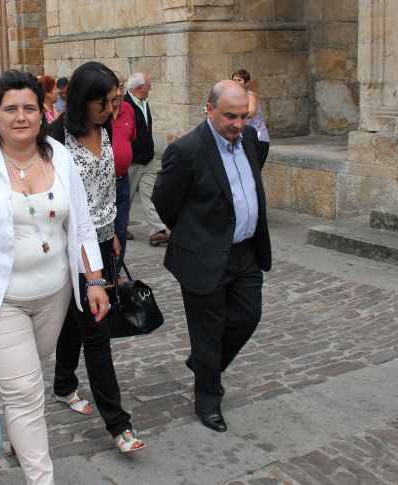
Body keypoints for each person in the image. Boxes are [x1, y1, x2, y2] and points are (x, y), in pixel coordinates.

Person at [0, 69, 108, 485]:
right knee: (25, 391)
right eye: (10, 109)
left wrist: (95, 280)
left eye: (29, 108)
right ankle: (41, 478)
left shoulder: (59, 155)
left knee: (29, 377)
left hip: (54, 294)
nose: (20, 117)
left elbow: (82, 226)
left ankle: (20, 436)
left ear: (42, 111)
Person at [153, 80, 272, 433]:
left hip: (246, 251)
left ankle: (204, 363)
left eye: (244, 116)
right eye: (230, 116)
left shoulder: (249, 139)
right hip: (204, 255)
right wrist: (195, 234)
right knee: (207, 331)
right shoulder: (188, 150)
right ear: (209, 109)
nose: (237, 124)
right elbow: (164, 201)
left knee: (248, 315)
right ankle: (208, 400)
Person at [48, 61, 146, 453]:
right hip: (70, 248)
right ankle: (119, 425)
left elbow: (109, 187)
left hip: (103, 243)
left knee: (78, 321)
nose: (112, 109)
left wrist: (114, 237)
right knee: (96, 330)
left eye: (114, 101)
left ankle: (62, 385)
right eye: (104, 102)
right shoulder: (55, 139)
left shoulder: (104, 128)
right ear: (83, 100)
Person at [124, 72, 169, 246]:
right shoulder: (125, 105)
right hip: (132, 161)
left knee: (151, 195)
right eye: (148, 85)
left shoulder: (144, 103)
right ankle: (119, 227)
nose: (150, 87)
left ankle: (157, 230)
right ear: (139, 87)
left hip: (148, 159)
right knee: (125, 198)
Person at [110, 70, 137, 276]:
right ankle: (102, 275)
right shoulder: (99, 114)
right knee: (105, 233)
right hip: (103, 185)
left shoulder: (128, 109)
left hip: (123, 181)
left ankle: (116, 273)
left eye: (121, 86)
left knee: (121, 230)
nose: (119, 92)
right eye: (115, 87)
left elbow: (129, 140)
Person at [232, 69, 270, 165]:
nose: (236, 83)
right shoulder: (234, 98)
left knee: (253, 174)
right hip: (243, 139)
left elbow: (251, 112)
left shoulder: (250, 95)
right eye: (234, 80)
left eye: (239, 80)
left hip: (258, 139)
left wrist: (232, 112)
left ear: (247, 83)